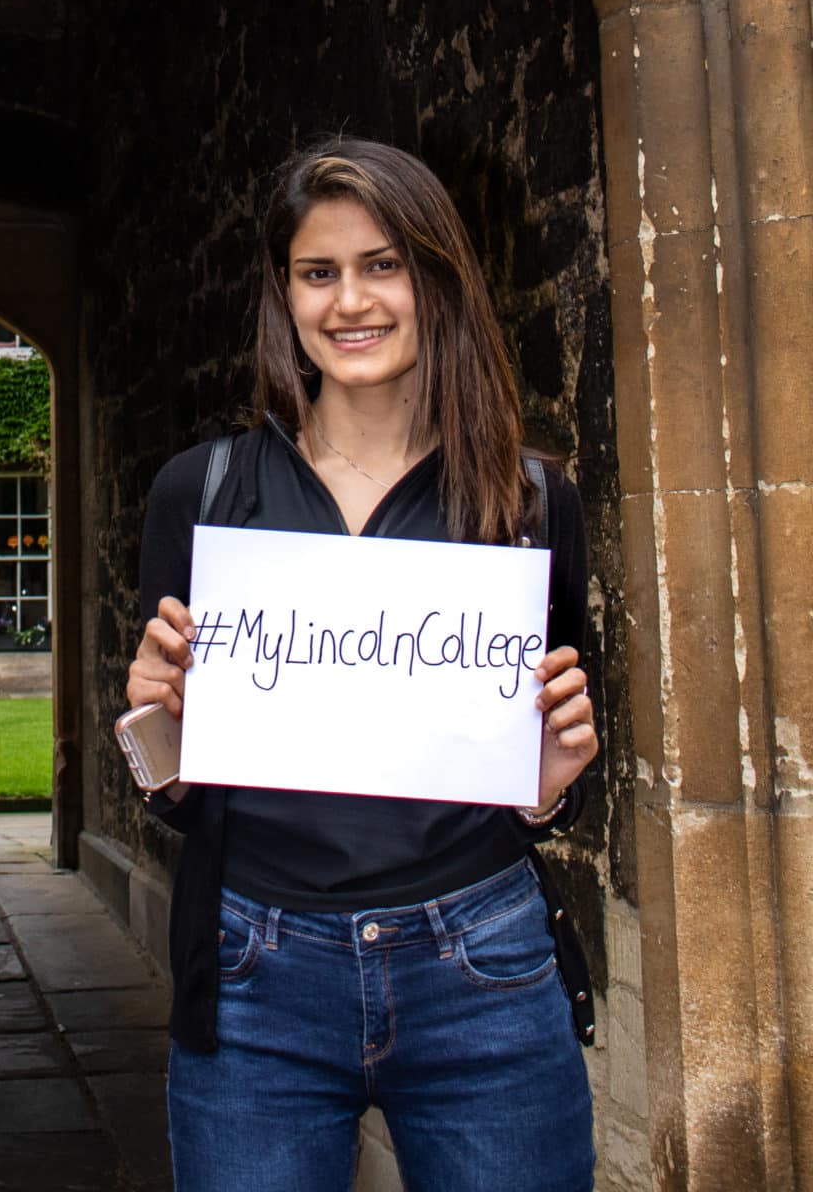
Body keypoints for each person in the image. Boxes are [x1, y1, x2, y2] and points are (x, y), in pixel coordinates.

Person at [126, 138, 599, 1192]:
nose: (352, 301)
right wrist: (156, 728)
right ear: (284, 294)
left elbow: (550, 770)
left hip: (479, 960)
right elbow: (177, 789)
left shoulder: (525, 507)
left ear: (436, 279)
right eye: (318, 271)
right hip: (256, 969)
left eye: (383, 264)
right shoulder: (200, 495)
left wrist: (546, 795)